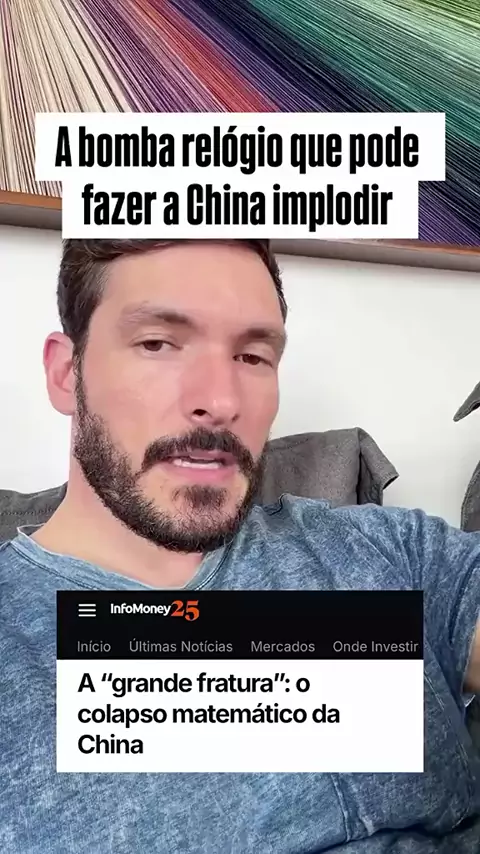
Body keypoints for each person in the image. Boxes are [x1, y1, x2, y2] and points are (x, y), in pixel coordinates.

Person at [0, 237, 479, 854]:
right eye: (157, 344)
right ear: (67, 373)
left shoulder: (382, 552)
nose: (221, 401)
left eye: (253, 356)